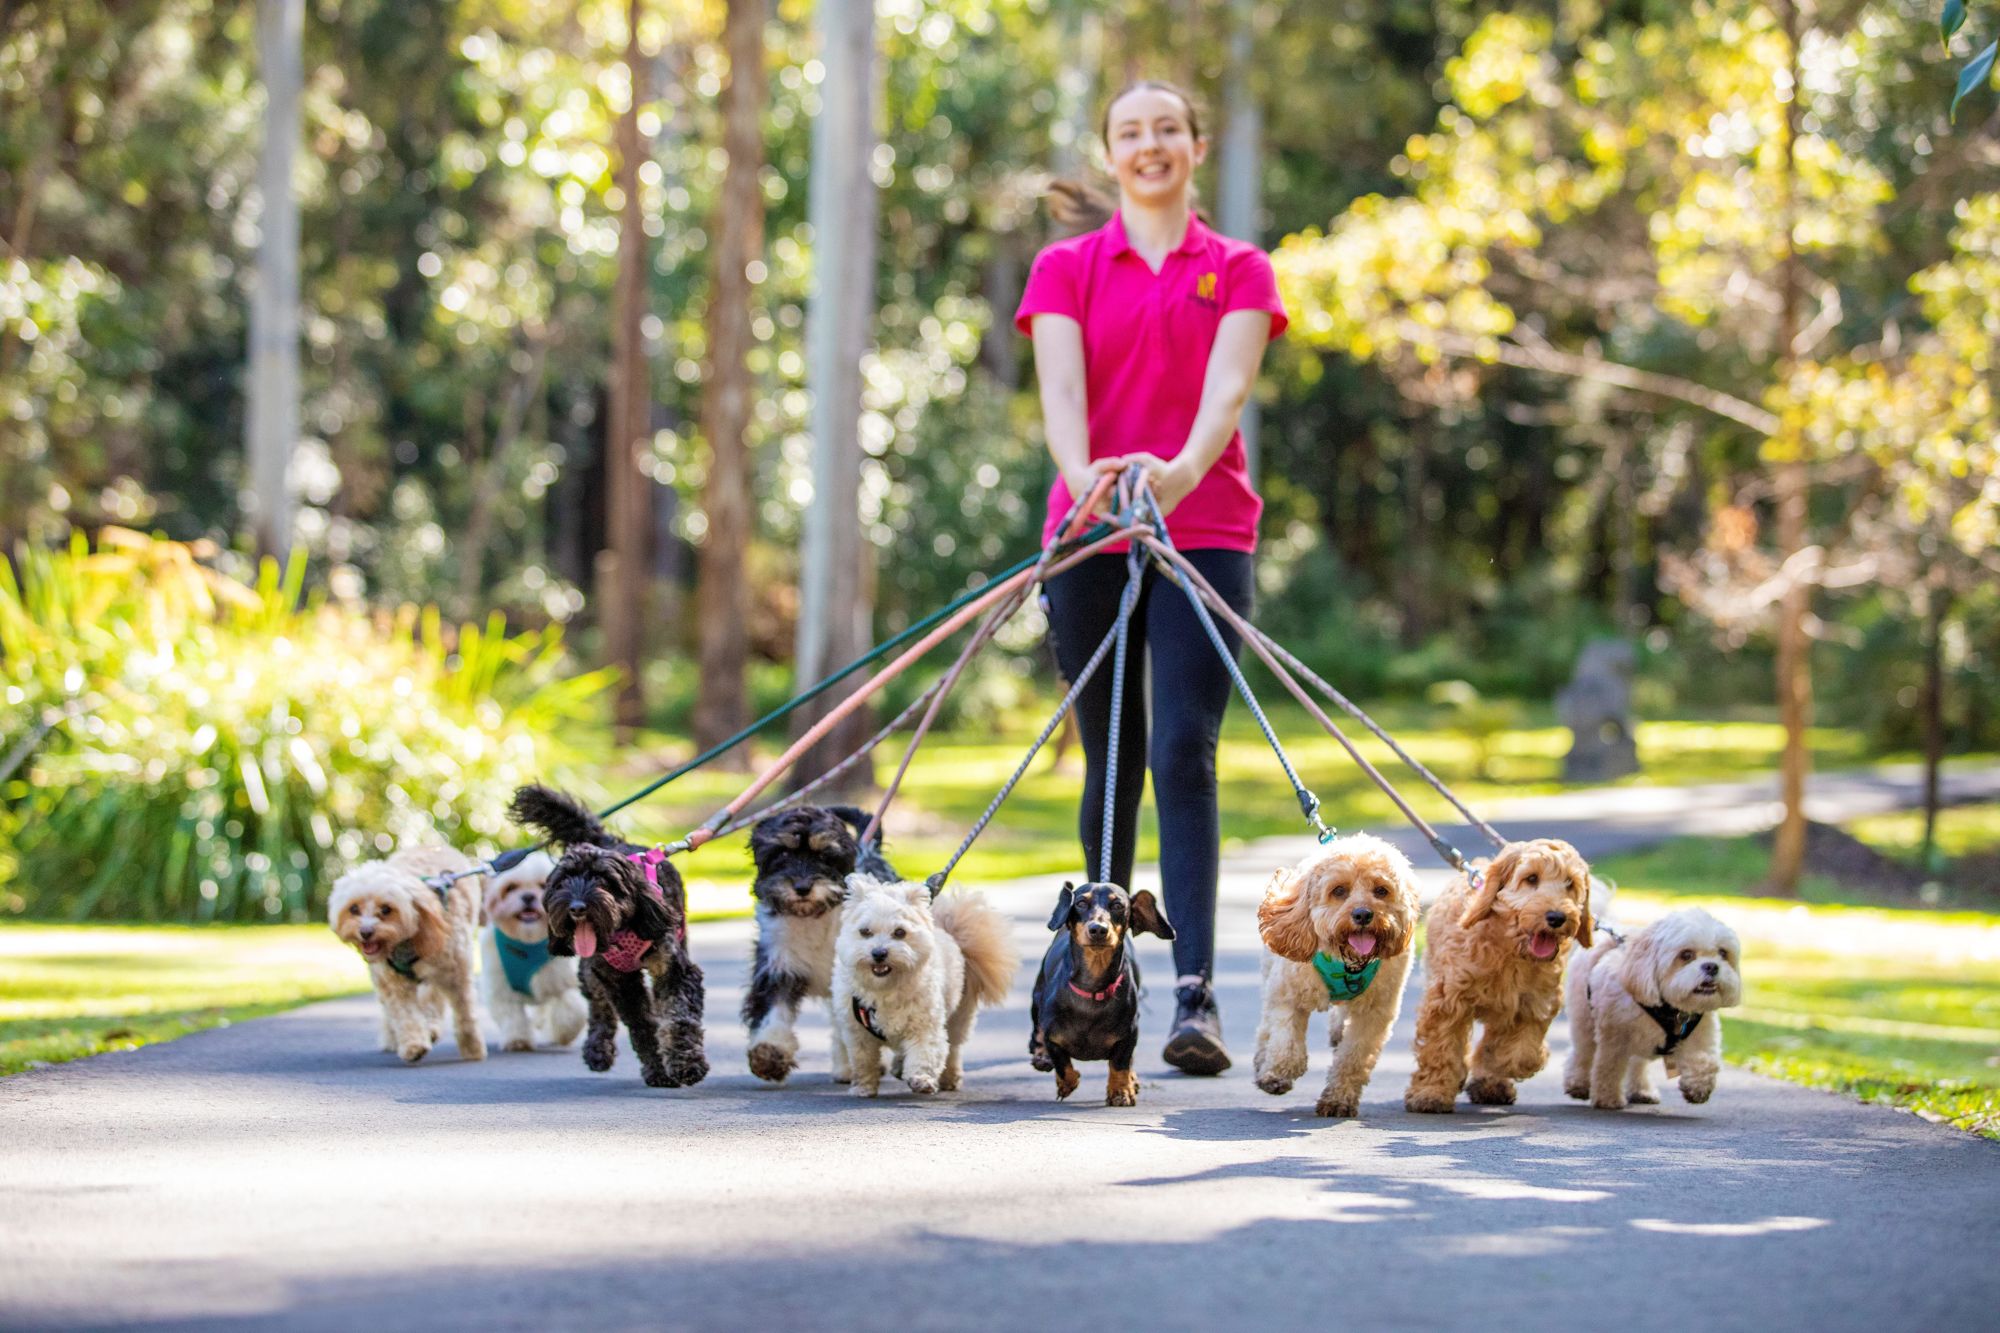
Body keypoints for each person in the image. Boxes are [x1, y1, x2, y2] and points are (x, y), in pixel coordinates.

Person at [1014, 80, 1288, 1075]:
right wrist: (1088, 476)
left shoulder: (1239, 270)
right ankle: (1090, 990)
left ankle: (1196, 994)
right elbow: (1060, 392)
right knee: (1112, 755)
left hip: (1202, 528)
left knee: (1181, 749)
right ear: (1111, 153)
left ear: (1194, 146)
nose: (1149, 145)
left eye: (1165, 128)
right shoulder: (1065, 268)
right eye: (1130, 133)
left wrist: (1172, 473)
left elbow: (1226, 394)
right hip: (1087, 532)